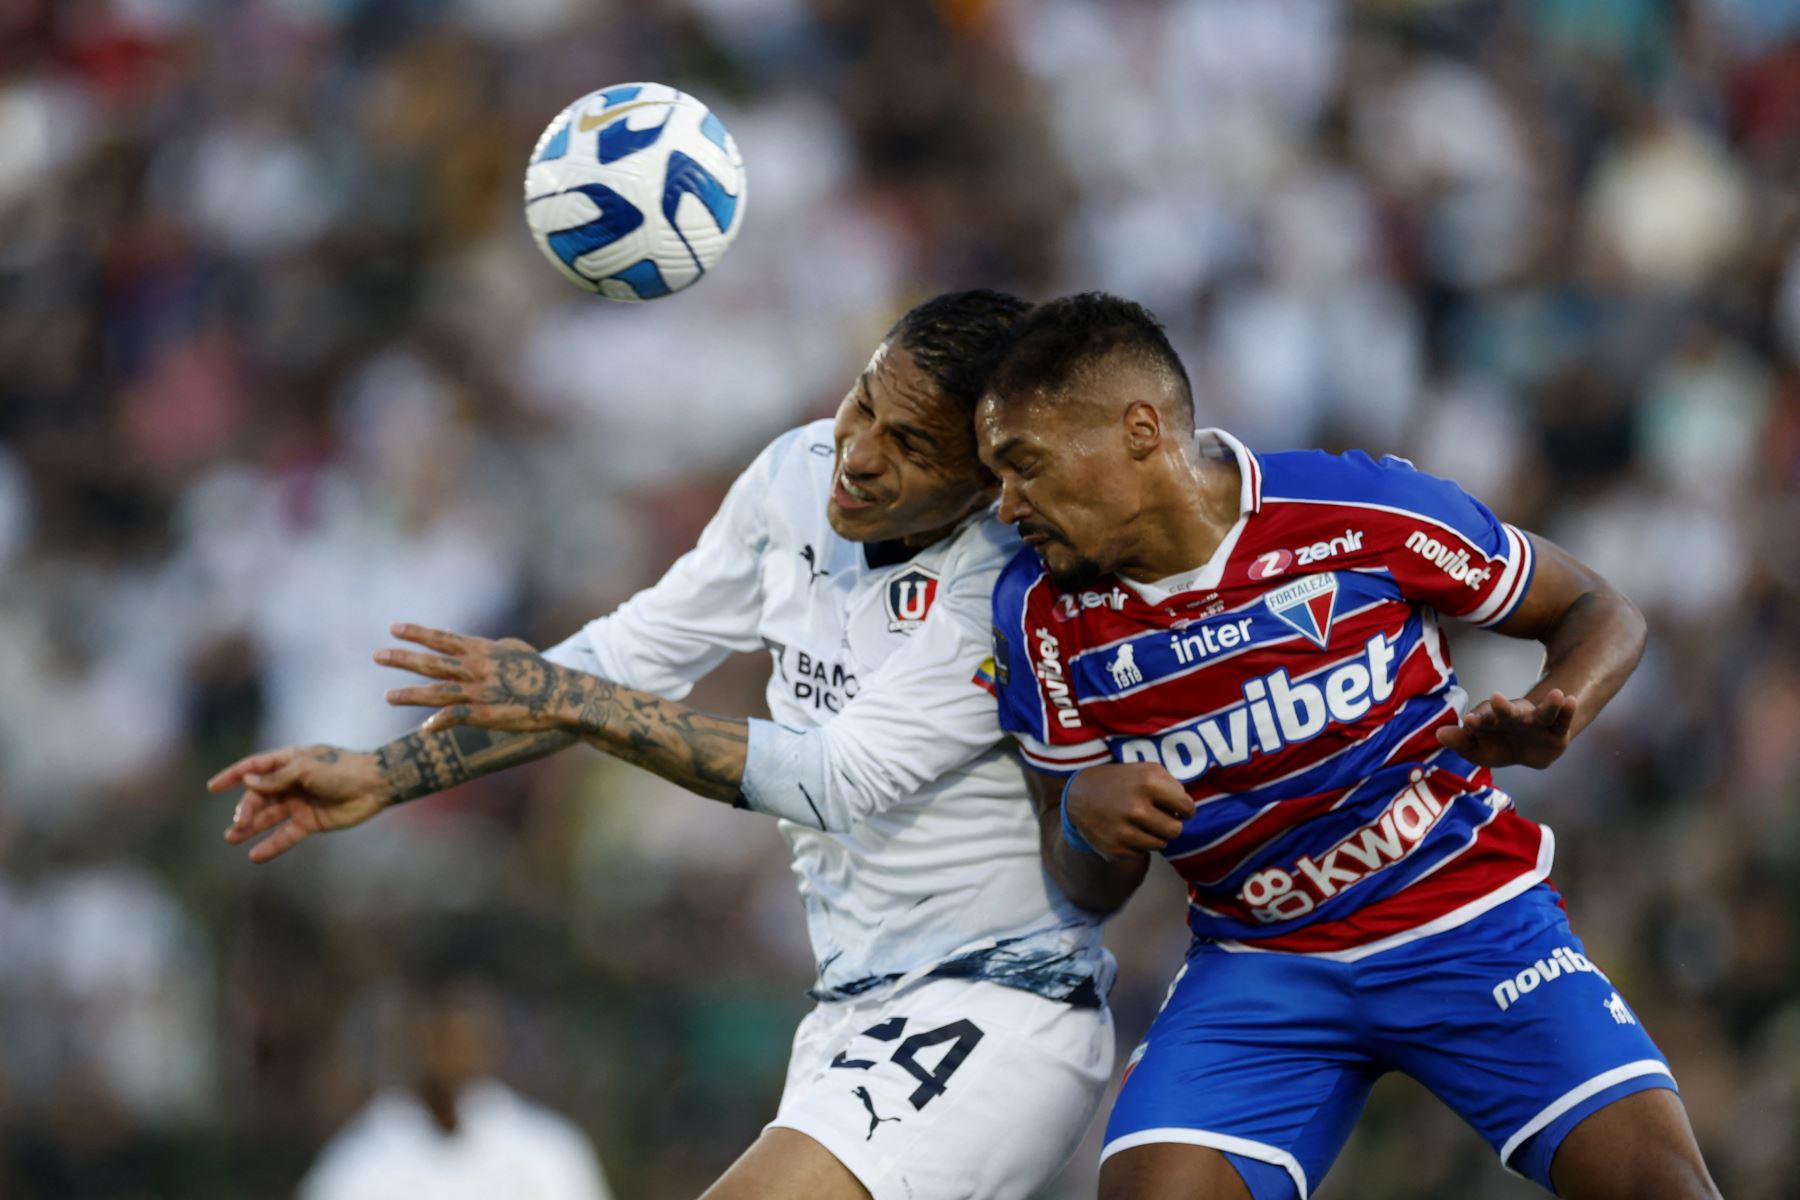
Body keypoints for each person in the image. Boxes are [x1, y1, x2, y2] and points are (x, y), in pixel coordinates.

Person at [209, 291, 1115, 1200]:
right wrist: (383, 772)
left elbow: (837, 777)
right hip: (852, 1008)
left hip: (1000, 1001)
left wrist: (573, 697)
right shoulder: (793, 477)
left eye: (913, 446)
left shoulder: (1006, 586)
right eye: (864, 401)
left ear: (989, 480)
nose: (860, 451)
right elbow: (628, 656)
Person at [975, 293, 1720, 1200]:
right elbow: (1085, 880)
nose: (1008, 503)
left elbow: (1601, 609)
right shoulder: (1036, 613)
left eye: (1026, 466)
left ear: (1139, 430)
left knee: (1664, 1188)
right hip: (1259, 965)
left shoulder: (1356, 507)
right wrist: (1087, 824)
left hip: (1465, 918)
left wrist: (1552, 708)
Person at [299, 973, 613, 1200]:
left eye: (466, 1041)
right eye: (440, 1041)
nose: (452, 1058)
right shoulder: (365, 1157)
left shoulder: (545, 1149)